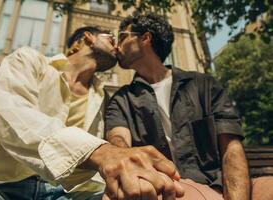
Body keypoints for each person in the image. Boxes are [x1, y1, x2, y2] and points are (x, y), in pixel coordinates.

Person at [0, 26, 184, 200]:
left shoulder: (104, 98)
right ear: (88, 38)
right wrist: (103, 153)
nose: (118, 45)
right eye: (111, 38)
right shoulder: (28, 60)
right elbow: (13, 116)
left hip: (65, 192)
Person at [105, 12, 273, 200]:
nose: (116, 45)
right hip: (171, 189)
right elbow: (118, 141)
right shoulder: (120, 100)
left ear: (145, 38)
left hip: (220, 185)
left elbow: (231, 149)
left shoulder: (205, 85)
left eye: (122, 37)